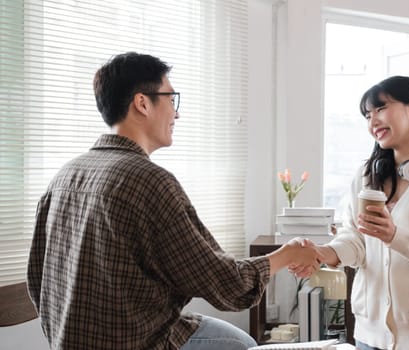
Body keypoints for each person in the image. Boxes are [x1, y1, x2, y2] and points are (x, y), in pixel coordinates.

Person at [26, 52, 322, 350]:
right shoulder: (149, 181)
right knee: (242, 345)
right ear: (142, 103)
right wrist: (288, 254)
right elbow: (226, 285)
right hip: (138, 342)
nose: (176, 113)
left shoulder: (65, 176)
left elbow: (37, 282)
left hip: (70, 342)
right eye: (171, 99)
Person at [292, 76, 409, 350]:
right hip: (368, 335)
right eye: (368, 115)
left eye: (380, 109)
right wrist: (324, 253)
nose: (373, 122)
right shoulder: (366, 175)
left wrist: (395, 237)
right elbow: (355, 240)